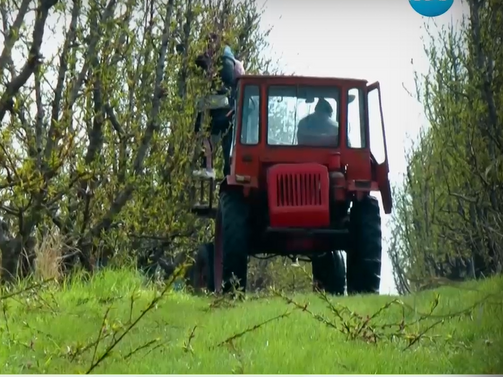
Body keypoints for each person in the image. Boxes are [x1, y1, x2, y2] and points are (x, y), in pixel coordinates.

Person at [192, 35, 240, 179]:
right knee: (228, 142)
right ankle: (229, 173)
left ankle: (207, 168)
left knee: (201, 131)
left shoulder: (210, 58)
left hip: (215, 103)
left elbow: (197, 66)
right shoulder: (234, 62)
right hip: (229, 107)